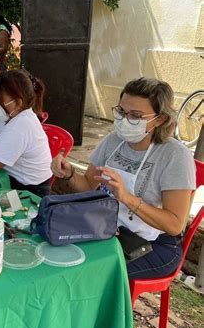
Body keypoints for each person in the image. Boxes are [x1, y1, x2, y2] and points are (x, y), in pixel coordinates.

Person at [52, 77, 196, 279]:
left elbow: (174, 225)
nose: (125, 120)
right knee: (57, 247)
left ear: (160, 119)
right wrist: (69, 174)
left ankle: (103, 309)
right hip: (108, 225)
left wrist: (126, 197)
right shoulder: (114, 140)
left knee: (88, 273)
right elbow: (87, 186)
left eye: (136, 116)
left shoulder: (174, 156)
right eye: (121, 112)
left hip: (154, 243)